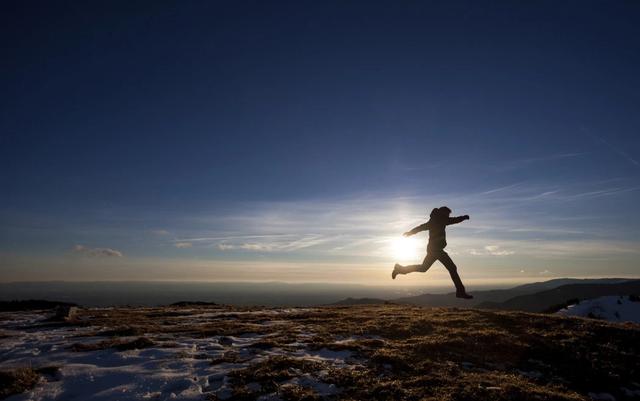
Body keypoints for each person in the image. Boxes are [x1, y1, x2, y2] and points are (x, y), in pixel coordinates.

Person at [392, 206, 473, 299]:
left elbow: (421, 227)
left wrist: (410, 232)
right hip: (436, 250)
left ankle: (400, 269)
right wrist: (464, 217)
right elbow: (453, 220)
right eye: (447, 214)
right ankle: (460, 292)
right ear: (443, 213)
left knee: (423, 268)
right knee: (452, 268)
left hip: (433, 250)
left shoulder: (434, 220)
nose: (448, 216)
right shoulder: (440, 220)